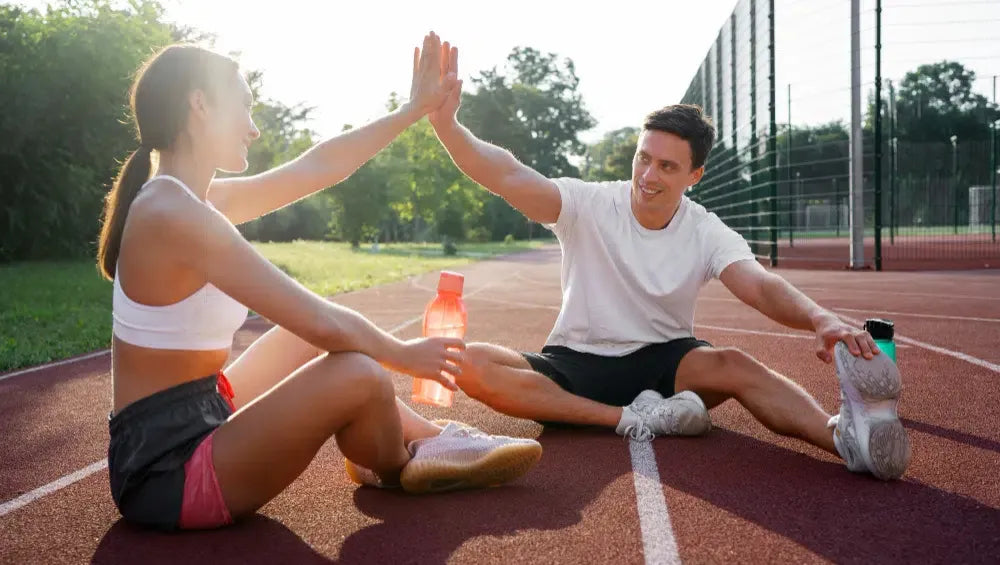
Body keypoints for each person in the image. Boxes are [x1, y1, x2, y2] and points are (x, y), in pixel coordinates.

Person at [100, 33, 542, 532]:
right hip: (166, 474)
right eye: (244, 107)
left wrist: (411, 111)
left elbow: (320, 166)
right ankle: (394, 461)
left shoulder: (194, 200)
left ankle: (429, 439)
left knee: (306, 345)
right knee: (361, 373)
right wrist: (404, 354)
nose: (254, 128)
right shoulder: (172, 212)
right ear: (199, 104)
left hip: (203, 409)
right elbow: (317, 318)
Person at [426, 43, 910, 481]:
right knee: (465, 363)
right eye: (643, 158)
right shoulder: (586, 204)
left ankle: (847, 440)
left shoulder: (705, 230)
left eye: (667, 166)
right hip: (574, 363)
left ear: (694, 175)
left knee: (736, 364)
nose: (648, 175)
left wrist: (819, 318)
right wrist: (448, 128)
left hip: (666, 363)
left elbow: (758, 285)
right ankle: (632, 420)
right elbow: (507, 174)